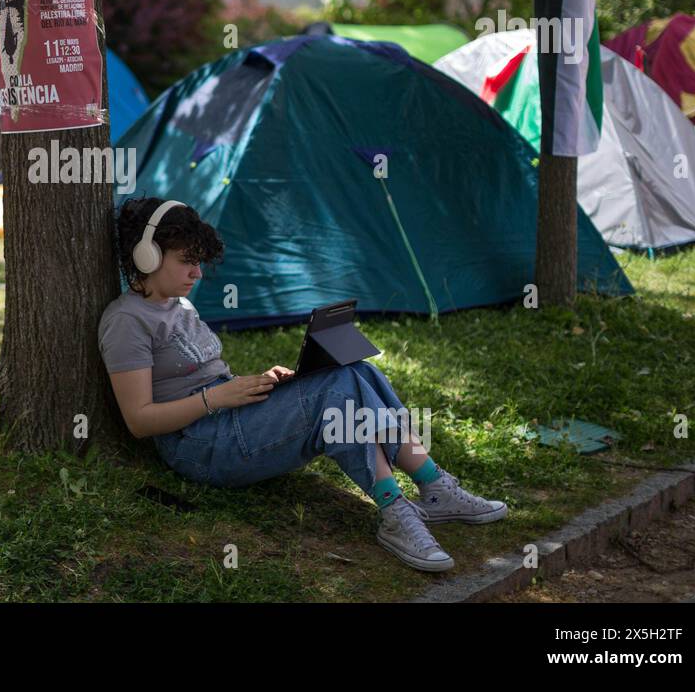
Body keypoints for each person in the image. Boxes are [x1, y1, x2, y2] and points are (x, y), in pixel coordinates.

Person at [98, 196, 509, 573]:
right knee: (336, 393)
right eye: (187, 260)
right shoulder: (126, 321)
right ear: (146, 255)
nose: (197, 272)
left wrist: (255, 385)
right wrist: (216, 396)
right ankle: (395, 511)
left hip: (226, 416)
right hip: (198, 446)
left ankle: (434, 487)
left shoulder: (179, 303)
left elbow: (205, 375)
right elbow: (139, 421)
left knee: (355, 370)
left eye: (199, 261)